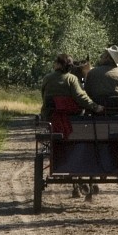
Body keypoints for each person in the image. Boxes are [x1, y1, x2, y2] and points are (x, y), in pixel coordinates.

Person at [40, 53, 99, 198]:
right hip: (72, 118)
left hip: (52, 117)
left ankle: (74, 182)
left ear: (59, 64)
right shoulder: (71, 79)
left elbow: (44, 97)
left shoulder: (47, 78)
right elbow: (80, 97)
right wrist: (95, 107)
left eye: (55, 62)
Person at [84, 45, 118, 112]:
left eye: (104, 55)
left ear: (107, 57)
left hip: (96, 111)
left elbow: (87, 92)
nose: (101, 56)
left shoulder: (92, 73)